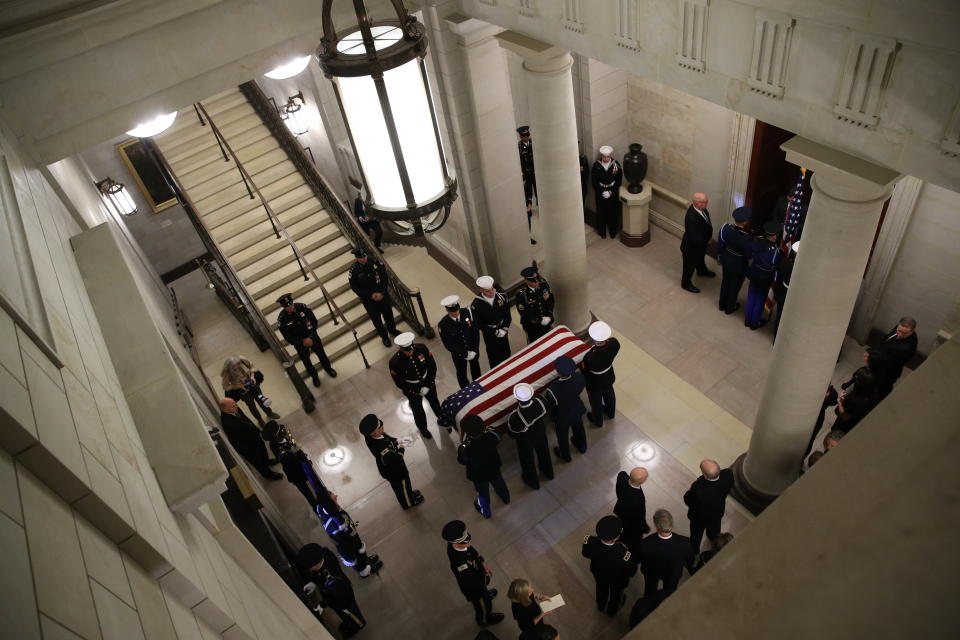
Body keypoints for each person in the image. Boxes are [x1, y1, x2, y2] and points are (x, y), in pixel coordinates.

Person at [262, 421, 383, 578]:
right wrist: (303, 465)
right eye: (281, 431)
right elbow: (295, 474)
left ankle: (364, 559)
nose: (284, 431)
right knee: (323, 506)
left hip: (308, 478)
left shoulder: (281, 445)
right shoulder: (284, 453)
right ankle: (363, 565)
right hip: (306, 482)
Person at [802, 348, 885, 461]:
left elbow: (845, 416)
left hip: (846, 425)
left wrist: (840, 403)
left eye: (856, 380)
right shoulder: (874, 393)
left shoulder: (858, 400)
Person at [443, 520, 505, 627]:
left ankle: (486, 595)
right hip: (476, 591)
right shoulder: (461, 566)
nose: (469, 542)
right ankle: (484, 620)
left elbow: (471, 550)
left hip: (478, 580)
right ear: (455, 543)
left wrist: (482, 562)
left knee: (485, 596)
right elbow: (472, 584)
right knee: (483, 606)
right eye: (465, 541)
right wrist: (484, 582)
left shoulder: (459, 545)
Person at [297, 543, 366, 638]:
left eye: (310, 567)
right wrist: (314, 582)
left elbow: (338, 597)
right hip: (339, 592)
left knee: (351, 614)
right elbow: (319, 574)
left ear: (316, 565)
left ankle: (357, 625)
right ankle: (349, 622)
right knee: (346, 615)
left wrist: (322, 604)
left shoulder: (331, 580)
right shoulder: (325, 553)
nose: (310, 569)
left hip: (344, 602)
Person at [359, 413, 424, 510]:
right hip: (395, 472)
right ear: (375, 433)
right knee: (402, 487)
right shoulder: (383, 450)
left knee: (405, 486)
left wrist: (398, 440)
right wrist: (402, 447)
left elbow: (388, 438)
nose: (383, 427)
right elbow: (398, 459)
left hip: (390, 466)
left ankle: (409, 494)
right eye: (381, 427)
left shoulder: (372, 436)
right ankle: (408, 502)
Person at [276, 293, 337, 387]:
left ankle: (328, 369)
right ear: (283, 307)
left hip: (312, 336)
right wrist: (302, 341)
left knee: (321, 354)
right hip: (300, 343)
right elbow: (288, 337)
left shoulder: (302, 307)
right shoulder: (282, 319)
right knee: (306, 361)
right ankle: (315, 377)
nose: (291, 307)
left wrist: (311, 337)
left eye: (291, 304)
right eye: (288, 306)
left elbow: (314, 322)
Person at [581, 515, 638, 616]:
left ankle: (600, 605)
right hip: (616, 581)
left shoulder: (589, 540)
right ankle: (611, 611)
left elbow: (585, 554)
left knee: (600, 589)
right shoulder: (624, 555)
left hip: (598, 575)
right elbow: (632, 571)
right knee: (616, 596)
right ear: (616, 538)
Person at [388, 332, 441, 439]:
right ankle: (423, 430)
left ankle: (442, 418)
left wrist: (428, 385)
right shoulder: (395, 362)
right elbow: (399, 382)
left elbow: (432, 367)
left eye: (411, 349)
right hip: (412, 389)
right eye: (406, 351)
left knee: (435, 402)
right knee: (418, 412)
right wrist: (415, 391)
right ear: (400, 348)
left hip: (427, 382)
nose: (410, 352)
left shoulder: (422, 348)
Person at [458, 415, 510, 518]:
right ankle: (506, 499)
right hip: (494, 467)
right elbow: (498, 437)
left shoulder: (464, 448)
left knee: (483, 494)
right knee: (500, 483)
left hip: (479, 476)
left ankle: (486, 512)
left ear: (467, 432)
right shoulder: (492, 433)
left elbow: (462, 461)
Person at [218, 398, 282, 480]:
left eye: (235, 403)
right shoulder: (227, 423)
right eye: (233, 406)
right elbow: (237, 439)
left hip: (254, 437)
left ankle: (267, 461)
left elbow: (247, 420)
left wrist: (257, 431)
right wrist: (249, 449)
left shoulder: (235, 409)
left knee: (263, 451)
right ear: (225, 409)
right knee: (258, 461)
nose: (236, 406)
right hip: (248, 446)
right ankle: (268, 474)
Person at [507, 383, 555, 490]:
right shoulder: (540, 402)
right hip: (540, 432)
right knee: (544, 453)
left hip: (526, 440)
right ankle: (548, 473)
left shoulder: (515, 417)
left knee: (527, 460)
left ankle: (532, 481)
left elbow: (512, 434)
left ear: (517, 399)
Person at [348, 247, 399, 347]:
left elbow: (384, 278)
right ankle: (384, 337)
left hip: (382, 295)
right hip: (369, 300)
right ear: (357, 258)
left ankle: (392, 330)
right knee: (377, 320)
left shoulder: (375, 262)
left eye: (364, 256)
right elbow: (355, 288)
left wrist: (382, 293)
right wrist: (370, 295)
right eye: (361, 258)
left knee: (388, 314)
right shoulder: (354, 270)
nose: (364, 259)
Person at [638, 509, 695, 596]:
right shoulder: (685, 542)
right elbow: (690, 560)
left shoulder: (645, 543)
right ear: (672, 524)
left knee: (649, 591)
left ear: (656, 526)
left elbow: (640, 559)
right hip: (672, 573)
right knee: (669, 593)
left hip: (652, 572)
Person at [683, 459, 734, 554]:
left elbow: (687, 499)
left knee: (696, 534)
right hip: (717, 512)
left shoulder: (698, 489)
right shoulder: (728, 474)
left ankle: (694, 549)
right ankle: (714, 540)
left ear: (705, 475)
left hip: (699, 517)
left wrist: (689, 491)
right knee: (715, 530)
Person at [543, 356, 587, 462]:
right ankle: (582, 446)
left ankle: (565, 455)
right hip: (577, 409)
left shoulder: (552, 390)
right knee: (579, 429)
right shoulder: (580, 377)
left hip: (563, 417)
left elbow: (552, 406)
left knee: (562, 436)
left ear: (558, 372)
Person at [220, 355, 280, 426]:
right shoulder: (227, 372)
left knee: (261, 398)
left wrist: (252, 376)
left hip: (253, 385)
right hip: (243, 392)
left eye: (240, 367)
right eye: (236, 369)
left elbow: (252, 367)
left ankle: (269, 412)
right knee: (251, 406)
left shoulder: (242, 360)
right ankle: (259, 419)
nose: (239, 370)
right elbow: (225, 386)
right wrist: (239, 386)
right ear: (230, 369)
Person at [581, 320, 620, 428]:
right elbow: (612, 342)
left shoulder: (589, 356)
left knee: (596, 402)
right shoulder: (614, 344)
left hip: (595, 383)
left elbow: (585, 370)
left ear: (594, 339)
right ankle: (611, 413)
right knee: (610, 394)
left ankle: (598, 421)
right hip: (608, 377)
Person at [438, 295, 481, 388]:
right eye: (453, 312)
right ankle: (465, 390)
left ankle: (479, 386)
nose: (456, 313)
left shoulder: (467, 312)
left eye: (457, 310)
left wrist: (475, 349)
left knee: (476, 368)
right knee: (461, 373)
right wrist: (464, 354)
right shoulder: (443, 325)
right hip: (458, 355)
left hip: (473, 349)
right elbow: (448, 344)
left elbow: (475, 331)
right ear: (447, 310)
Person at [744, 220, 781, 329]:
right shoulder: (776, 251)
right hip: (765, 277)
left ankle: (747, 320)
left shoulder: (757, 241)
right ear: (774, 237)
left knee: (751, 295)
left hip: (754, 272)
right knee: (760, 299)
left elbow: (751, 253)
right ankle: (754, 323)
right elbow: (775, 265)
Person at [716, 206, 752, 315]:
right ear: (745, 222)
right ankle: (729, 308)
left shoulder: (725, 228)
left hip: (726, 260)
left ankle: (722, 304)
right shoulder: (748, 237)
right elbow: (749, 255)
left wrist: (720, 257)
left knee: (725, 282)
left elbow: (720, 245)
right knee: (734, 286)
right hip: (739, 265)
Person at [470, 275, 512, 368]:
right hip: (489, 334)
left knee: (506, 351)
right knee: (494, 355)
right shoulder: (476, 304)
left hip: (502, 329)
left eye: (492, 289)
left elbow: (507, 315)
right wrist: (494, 331)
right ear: (481, 290)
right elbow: (479, 324)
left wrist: (504, 328)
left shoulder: (502, 296)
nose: (491, 293)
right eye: (487, 291)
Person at [680, 192, 715, 293]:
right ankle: (686, 284)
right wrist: (707, 241)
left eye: (706, 201)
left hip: (700, 245)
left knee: (700, 258)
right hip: (691, 248)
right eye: (704, 202)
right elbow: (695, 238)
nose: (707, 204)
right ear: (697, 203)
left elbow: (706, 224)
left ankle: (702, 271)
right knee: (689, 267)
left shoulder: (702, 209)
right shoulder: (691, 217)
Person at [876, 317, 918, 398]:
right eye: (899, 330)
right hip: (882, 360)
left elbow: (889, 362)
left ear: (912, 332)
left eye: (905, 333)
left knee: (882, 389)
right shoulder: (899, 328)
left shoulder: (907, 348)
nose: (900, 334)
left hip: (888, 371)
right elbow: (889, 337)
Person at [613, 467, 650, 553]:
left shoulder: (622, 476)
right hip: (631, 519)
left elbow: (622, 474)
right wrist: (644, 527)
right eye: (646, 477)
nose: (647, 478)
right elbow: (640, 516)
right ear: (641, 482)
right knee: (633, 537)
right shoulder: (637, 500)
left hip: (620, 509)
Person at [591, 145, 623, 239]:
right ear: (602, 156)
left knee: (613, 212)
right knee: (601, 213)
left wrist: (611, 192)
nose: (605, 158)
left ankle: (613, 232)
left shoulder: (615, 165)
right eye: (604, 156)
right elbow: (594, 181)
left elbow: (618, 180)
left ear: (610, 156)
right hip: (600, 192)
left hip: (612, 192)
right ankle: (602, 232)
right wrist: (601, 192)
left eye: (607, 156)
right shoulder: (596, 166)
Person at [516, 266, 555, 343]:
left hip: (546, 322)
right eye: (533, 281)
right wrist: (538, 321)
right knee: (536, 344)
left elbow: (551, 299)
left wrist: (550, 313)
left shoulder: (543, 284)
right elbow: (524, 313)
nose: (536, 282)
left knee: (548, 342)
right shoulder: (522, 294)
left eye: (537, 280)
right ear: (526, 280)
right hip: (532, 327)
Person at [773, 240, 798, 339]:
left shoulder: (785, 263)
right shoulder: (801, 269)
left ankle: (776, 336)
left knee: (779, 316)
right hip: (793, 296)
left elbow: (779, 278)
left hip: (782, 292)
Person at [518, 126, 537, 245]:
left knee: (539, 191)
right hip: (526, 175)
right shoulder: (519, 147)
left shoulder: (533, 143)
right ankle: (529, 204)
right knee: (528, 194)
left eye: (527, 136)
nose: (526, 138)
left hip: (536, 173)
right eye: (524, 136)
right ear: (521, 137)